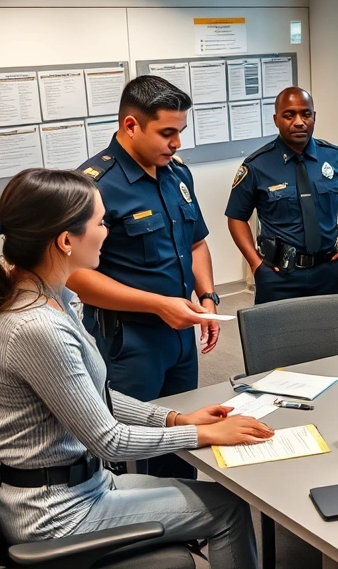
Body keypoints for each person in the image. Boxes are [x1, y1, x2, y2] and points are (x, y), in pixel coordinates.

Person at [0, 168, 272, 568]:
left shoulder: (50, 297)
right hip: (55, 513)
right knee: (228, 511)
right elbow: (110, 442)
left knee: (221, 500)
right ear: (66, 241)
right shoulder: (37, 326)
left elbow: (94, 395)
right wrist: (203, 435)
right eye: (101, 223)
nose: (107, 232)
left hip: (79, 485)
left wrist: (173, 419)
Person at [70, 75, 216, 480]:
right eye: (167, 133)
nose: (177, 143)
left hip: (180, 330)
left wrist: (208, 296)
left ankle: (187, 524)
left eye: (181, 132)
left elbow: (198, 242)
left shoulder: (177, 174)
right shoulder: (93, 186)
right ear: (131, 126)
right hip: (128, 340)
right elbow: (75, 276)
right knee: (132, 446)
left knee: (183, 432)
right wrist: (157, 304)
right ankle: (139, 534)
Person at [226, 87, 338, 303]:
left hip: (329, 269)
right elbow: (236, 217)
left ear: (314, 117)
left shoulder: (334, 158)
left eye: (306, 114)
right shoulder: (257, 165)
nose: (299, 122)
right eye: (289, 115)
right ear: (276, 119)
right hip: (278, 274)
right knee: (277, 336)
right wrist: (255, 264)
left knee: (329, 336)